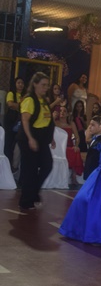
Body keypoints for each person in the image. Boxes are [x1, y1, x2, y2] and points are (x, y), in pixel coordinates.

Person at [59, 113, 101, 244]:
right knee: (82, 199)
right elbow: (88, 139)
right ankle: (80, 230)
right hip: (99, 172)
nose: (100, 126)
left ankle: (100, 234)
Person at [16, 73, 55, 210]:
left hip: (42, 138)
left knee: (47, 165)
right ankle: (26, 201)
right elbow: (25, 120)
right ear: (35, 84)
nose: (46, 88)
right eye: (43, 85)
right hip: (29, 138)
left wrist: (51, 137)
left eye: (47, 85)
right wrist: (30, 138)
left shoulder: (44, 100)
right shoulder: (29, 100)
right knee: (30, 170)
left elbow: (47, 120)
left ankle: (33, 192)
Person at [55, 107, 84, 184]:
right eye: (60, 111)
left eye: (64, 111)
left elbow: (77, 137)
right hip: (58, 146)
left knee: (75, 151)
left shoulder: (71, 124)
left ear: (67, 114)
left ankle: (73, 176)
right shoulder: (55, 123)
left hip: (68, 145)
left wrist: (76, 145)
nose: (62, 112)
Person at [3, 77, 26, 168]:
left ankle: (15, 166)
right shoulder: (11, 93)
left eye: (22, 83)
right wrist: (21, 105)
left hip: (21, 120)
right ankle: (7, 165)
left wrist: (18, 106)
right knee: (9, 142)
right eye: (18, 83)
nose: (20, 85)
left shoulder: (25, 95)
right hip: (11, 120)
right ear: (15, 84)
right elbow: (10, 104)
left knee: (17, 144)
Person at [83, 115, 101, 180]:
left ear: (100, 126)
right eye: (90, 124)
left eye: (93, 125)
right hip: (90, 172)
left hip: (96, 173)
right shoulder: (94, 139)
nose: (89, 127)